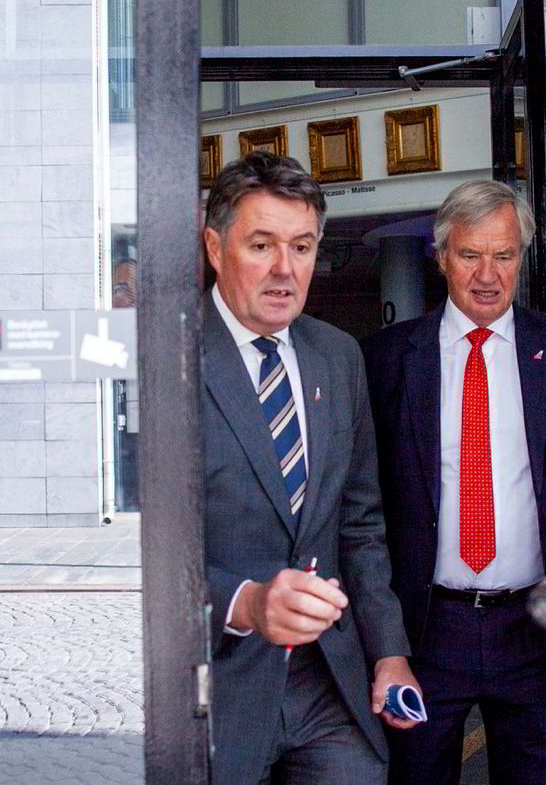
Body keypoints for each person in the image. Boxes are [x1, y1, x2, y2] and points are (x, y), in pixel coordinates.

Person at [361, 179, 546, 785]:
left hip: (539, 629)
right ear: (441, 256)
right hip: (426, 632)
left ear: (522, 257)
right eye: (470, 254)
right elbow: (363, 511)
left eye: (504, 255)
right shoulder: (385, 359)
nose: (487, 275)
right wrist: (383, 644)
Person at [202, 151, 422, 785]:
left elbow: (360, 522)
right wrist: (244, 602)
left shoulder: (338, 354)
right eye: (261, 245)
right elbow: (141, 548)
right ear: (215, 247)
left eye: (301, 247)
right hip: (218, 685)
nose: (284, 269)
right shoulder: (166, 356)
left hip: (329, 682)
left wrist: (389, 652)